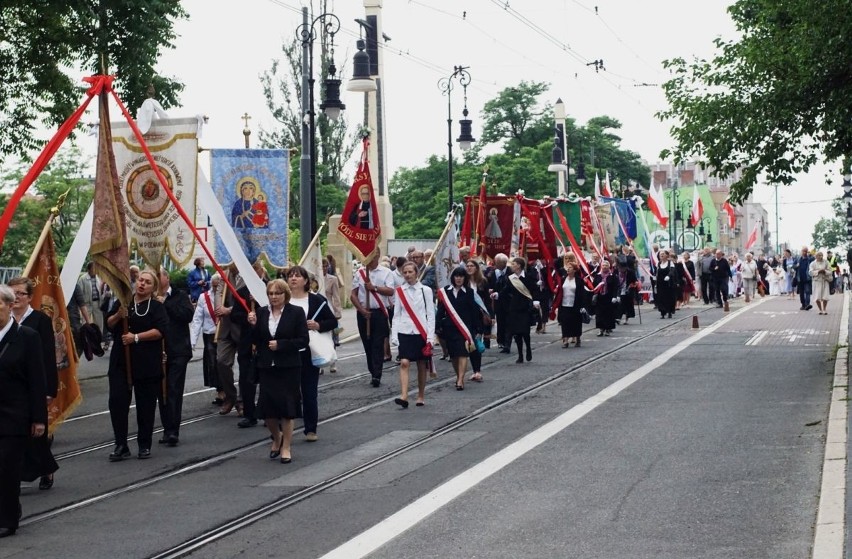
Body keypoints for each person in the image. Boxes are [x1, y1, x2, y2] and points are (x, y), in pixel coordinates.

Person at [105, 270, 168, 461]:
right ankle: (121, 444)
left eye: (147, 282)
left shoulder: (156, 307)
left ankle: (144, 444)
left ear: (152, 287)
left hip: (146, 362)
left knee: (146, 404)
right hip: (121, 362)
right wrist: (118, 315)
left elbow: (160, 331)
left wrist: (136, 337)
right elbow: (109, 324)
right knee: (117, 402)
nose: (142, 284)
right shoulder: (124, 302)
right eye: (140, 280)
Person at [0, 284, 47, 538]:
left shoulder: (27, 337)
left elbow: (37, 380)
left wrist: (39, 418)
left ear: (9, 306)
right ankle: (9, 507)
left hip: (14, 416)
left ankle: (7, 519)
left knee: (7, 468)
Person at [246, 280, 308, 464]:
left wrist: (282, 345)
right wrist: (253, 325)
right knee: (268, 411)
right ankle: (277, 437)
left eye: (277, 293)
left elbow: (303, 340)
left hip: (288, 367)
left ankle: (286, 447)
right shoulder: (262, 312)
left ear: (285, 295)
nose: (274, 297)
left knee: (288, 409)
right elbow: (256, 339)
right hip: (267, 367)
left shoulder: (295, 313)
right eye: (271, 293)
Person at [8, 278, 58, 491]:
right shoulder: (4, 320)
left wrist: (49, 389)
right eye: (13, 293)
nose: (16, 297)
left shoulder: (39, 320)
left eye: (21, 293)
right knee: (14, 434)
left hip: (34, 386)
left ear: (29, 297)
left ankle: (46, 469)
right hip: (10, 387)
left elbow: (48, 357)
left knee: (36, 434)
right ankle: (14, 475)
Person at [287, 266, 337, 441]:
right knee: (288, 392)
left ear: (306, 281)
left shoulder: (317, 301)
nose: (293, 279)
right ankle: (284, 428)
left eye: (298, 276)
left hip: (309, 352)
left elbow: (332, 321)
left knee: (309, 391)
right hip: (288, 352)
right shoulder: (282, 300)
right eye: (290, 276)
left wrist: (318, 325)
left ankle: (310, 428)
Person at [155, 269, 194, 447]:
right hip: (158, 352)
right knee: (161, 392)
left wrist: (165, 304)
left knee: (173, 389)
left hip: (178, 350)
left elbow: (187, 315)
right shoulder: (150, 298)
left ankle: (173, 431)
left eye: (158, 276)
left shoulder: (180, 295)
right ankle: (166, 427)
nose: (156, 279)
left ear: (167, 278)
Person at [390, 261, 435, 407]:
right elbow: (396, 315)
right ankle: (404, 396)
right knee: (404, 362)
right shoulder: (399, 291)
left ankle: (421, 395)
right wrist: (394, 335)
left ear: (416, 273)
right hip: (405, 331)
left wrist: (430, 336)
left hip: (420, 331)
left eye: (410, 272)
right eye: (405, 272)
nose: (408, 275)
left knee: (421, 364)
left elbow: (430, 314)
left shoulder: (425, 290)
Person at [351, 249, 395, 387]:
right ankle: (372, 369)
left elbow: (390, 290)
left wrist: (374, 288)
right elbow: (353, 294)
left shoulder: (386, 272)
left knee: (378, 343)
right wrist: (362, 310)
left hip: (379, 313)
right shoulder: (360, 273)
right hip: (364, 313)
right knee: (367, 343)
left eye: (371, 254)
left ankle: (377, 374)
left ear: (377, 255)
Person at [436, 267, 482, 390]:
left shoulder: (469, 292)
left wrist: (478, 328)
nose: (458, 278)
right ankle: (458, 376)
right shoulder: (445, 292)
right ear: (453, 277)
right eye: (456, 276)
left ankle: (461, 379)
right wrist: (437, 325)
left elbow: (474, 311)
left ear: (464, 278)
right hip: (450, 328)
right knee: (454, 355)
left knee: (463, 353)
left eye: (461, 276)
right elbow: (440, 311)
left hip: (465, 329)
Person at [498, 257, 538, 363]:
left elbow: (534, 290)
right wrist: (497, 295)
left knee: (525, 332)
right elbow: (506, 290)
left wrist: (535, 301)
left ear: (519, 265)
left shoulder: (528, 277)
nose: (512, 266)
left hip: (525, 308)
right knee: (517, 333)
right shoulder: (511, 278)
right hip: (514, 308)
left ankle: (528, 349)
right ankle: (520, 355)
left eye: (514, 264)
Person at [190, 273, 220, 404]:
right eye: (213, 286)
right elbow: (197, 320)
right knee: (212, 364)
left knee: (223, 364)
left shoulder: (227, 296)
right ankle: (220, 391)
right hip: (209, 335)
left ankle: (227, 390)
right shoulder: (204, 297)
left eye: (218, 286)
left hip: (225, 336)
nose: (215, 288)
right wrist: (192, 342)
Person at [550, 261, 588, 348]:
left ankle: (577, 338)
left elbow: (582, 294)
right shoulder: (563, 279)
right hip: (564, 304)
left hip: (575, 305)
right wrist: (555, 303)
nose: (568, 269)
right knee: (565, 322)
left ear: (574, 270)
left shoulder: (579, 280)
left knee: (576, 322)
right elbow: (559, 291)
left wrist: (582, 306)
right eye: (567, 267)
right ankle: (565, 340)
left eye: (570, 267)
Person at [464, 259, 490, 382]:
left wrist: (491, 316)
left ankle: (477, 371)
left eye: (471, 266)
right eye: (467, 266)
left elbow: (487, 300)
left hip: (478, 316)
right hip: (466, 316)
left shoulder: (482, 282)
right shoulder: (463, 282)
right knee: (469, 343)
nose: (469, 268)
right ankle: (473, 370)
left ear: (476, 268)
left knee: (476, 342)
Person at [486, 253, 510, 352]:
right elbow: (488, 284)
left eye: (498, 262)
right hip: (496, 302)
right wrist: (490, 290)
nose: (496, 264)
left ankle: (507, 342)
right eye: (495, 262)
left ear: (504, 263)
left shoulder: (510, 272)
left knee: (508, 322)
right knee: (500, 321)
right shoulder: (492, 273)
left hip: (508, 302)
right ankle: (500, 341)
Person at [322, 258, 343, 358]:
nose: (325, 268)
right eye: (323, 266)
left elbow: (336, 297)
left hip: (329, 308)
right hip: (317, 310)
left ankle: (332, 359)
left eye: (326, 266)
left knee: (332, 334)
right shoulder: (313, 279)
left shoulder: (333, 279)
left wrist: (338, 312)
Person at [593, 259, 620, 334]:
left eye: (606, 265)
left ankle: (608, 329)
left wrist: (615, 296)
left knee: (608, 313)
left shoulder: (613, 276)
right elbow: (594, 285)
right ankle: (601, 329)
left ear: (609, 267)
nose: (604, 267)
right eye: (603, 265)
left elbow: (616, 287)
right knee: (599, 314)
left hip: (609, 297)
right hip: (600, 297)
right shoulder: (597, 275)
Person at [77, 262, 103, 335]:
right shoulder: (83, 278)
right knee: (85, 322)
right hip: (86, 304)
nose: (95, 270)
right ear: (89, 269)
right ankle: (85, 338)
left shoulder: (99, 277)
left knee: (99, 322)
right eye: (94, 268)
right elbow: (80, 292)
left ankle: (99, 338)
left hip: (97, 303)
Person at [655, 250, 680, 319]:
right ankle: (662, 313)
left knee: (669, 298)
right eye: (660, 254)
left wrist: (668, 276)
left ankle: (669, 312)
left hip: (668, 283)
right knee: (661, 298)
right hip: (660, 283)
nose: (661, 255)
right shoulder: (658, 263)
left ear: (667, 255)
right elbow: (657, 273)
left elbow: (672, 271)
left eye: (663, 254)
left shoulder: (670, 263)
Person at [617, 256, 638, 322]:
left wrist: (634, 284)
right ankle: (618, 317)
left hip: (628, 290)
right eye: (620, 268)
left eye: (623, 268)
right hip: (619, 290)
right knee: (619, 304)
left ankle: (627, 318)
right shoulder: (616, 272)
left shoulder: (630, 272)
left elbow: (635, 281)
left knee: (627, 304)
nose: (621, 269)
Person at [792, 246, 814, 311]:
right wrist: (796, 266)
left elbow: (814, 259)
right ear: (801, 251)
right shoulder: (798, 258)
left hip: (807, 278)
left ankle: (807, 304)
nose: (804, 252)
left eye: (805, 251)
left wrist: (811, 254)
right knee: (801, 293)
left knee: (807, 291)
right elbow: (793, 266)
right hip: (800, 278)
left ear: (807, 252)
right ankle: (803, 305)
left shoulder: (809, 259)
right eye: (803, 251)